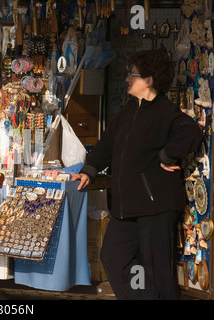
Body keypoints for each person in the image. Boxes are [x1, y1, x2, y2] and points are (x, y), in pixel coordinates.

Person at [71, 49, 203, 300]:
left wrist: (166, 156)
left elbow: (191, 133)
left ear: (149, 80)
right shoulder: (129, 110)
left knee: (158, 272)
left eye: (132, 75)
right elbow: (107, 143)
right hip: (126, 208)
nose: (127, 80)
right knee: (112, 257)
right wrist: (89, 169)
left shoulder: (165, 112)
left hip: (155, 206)